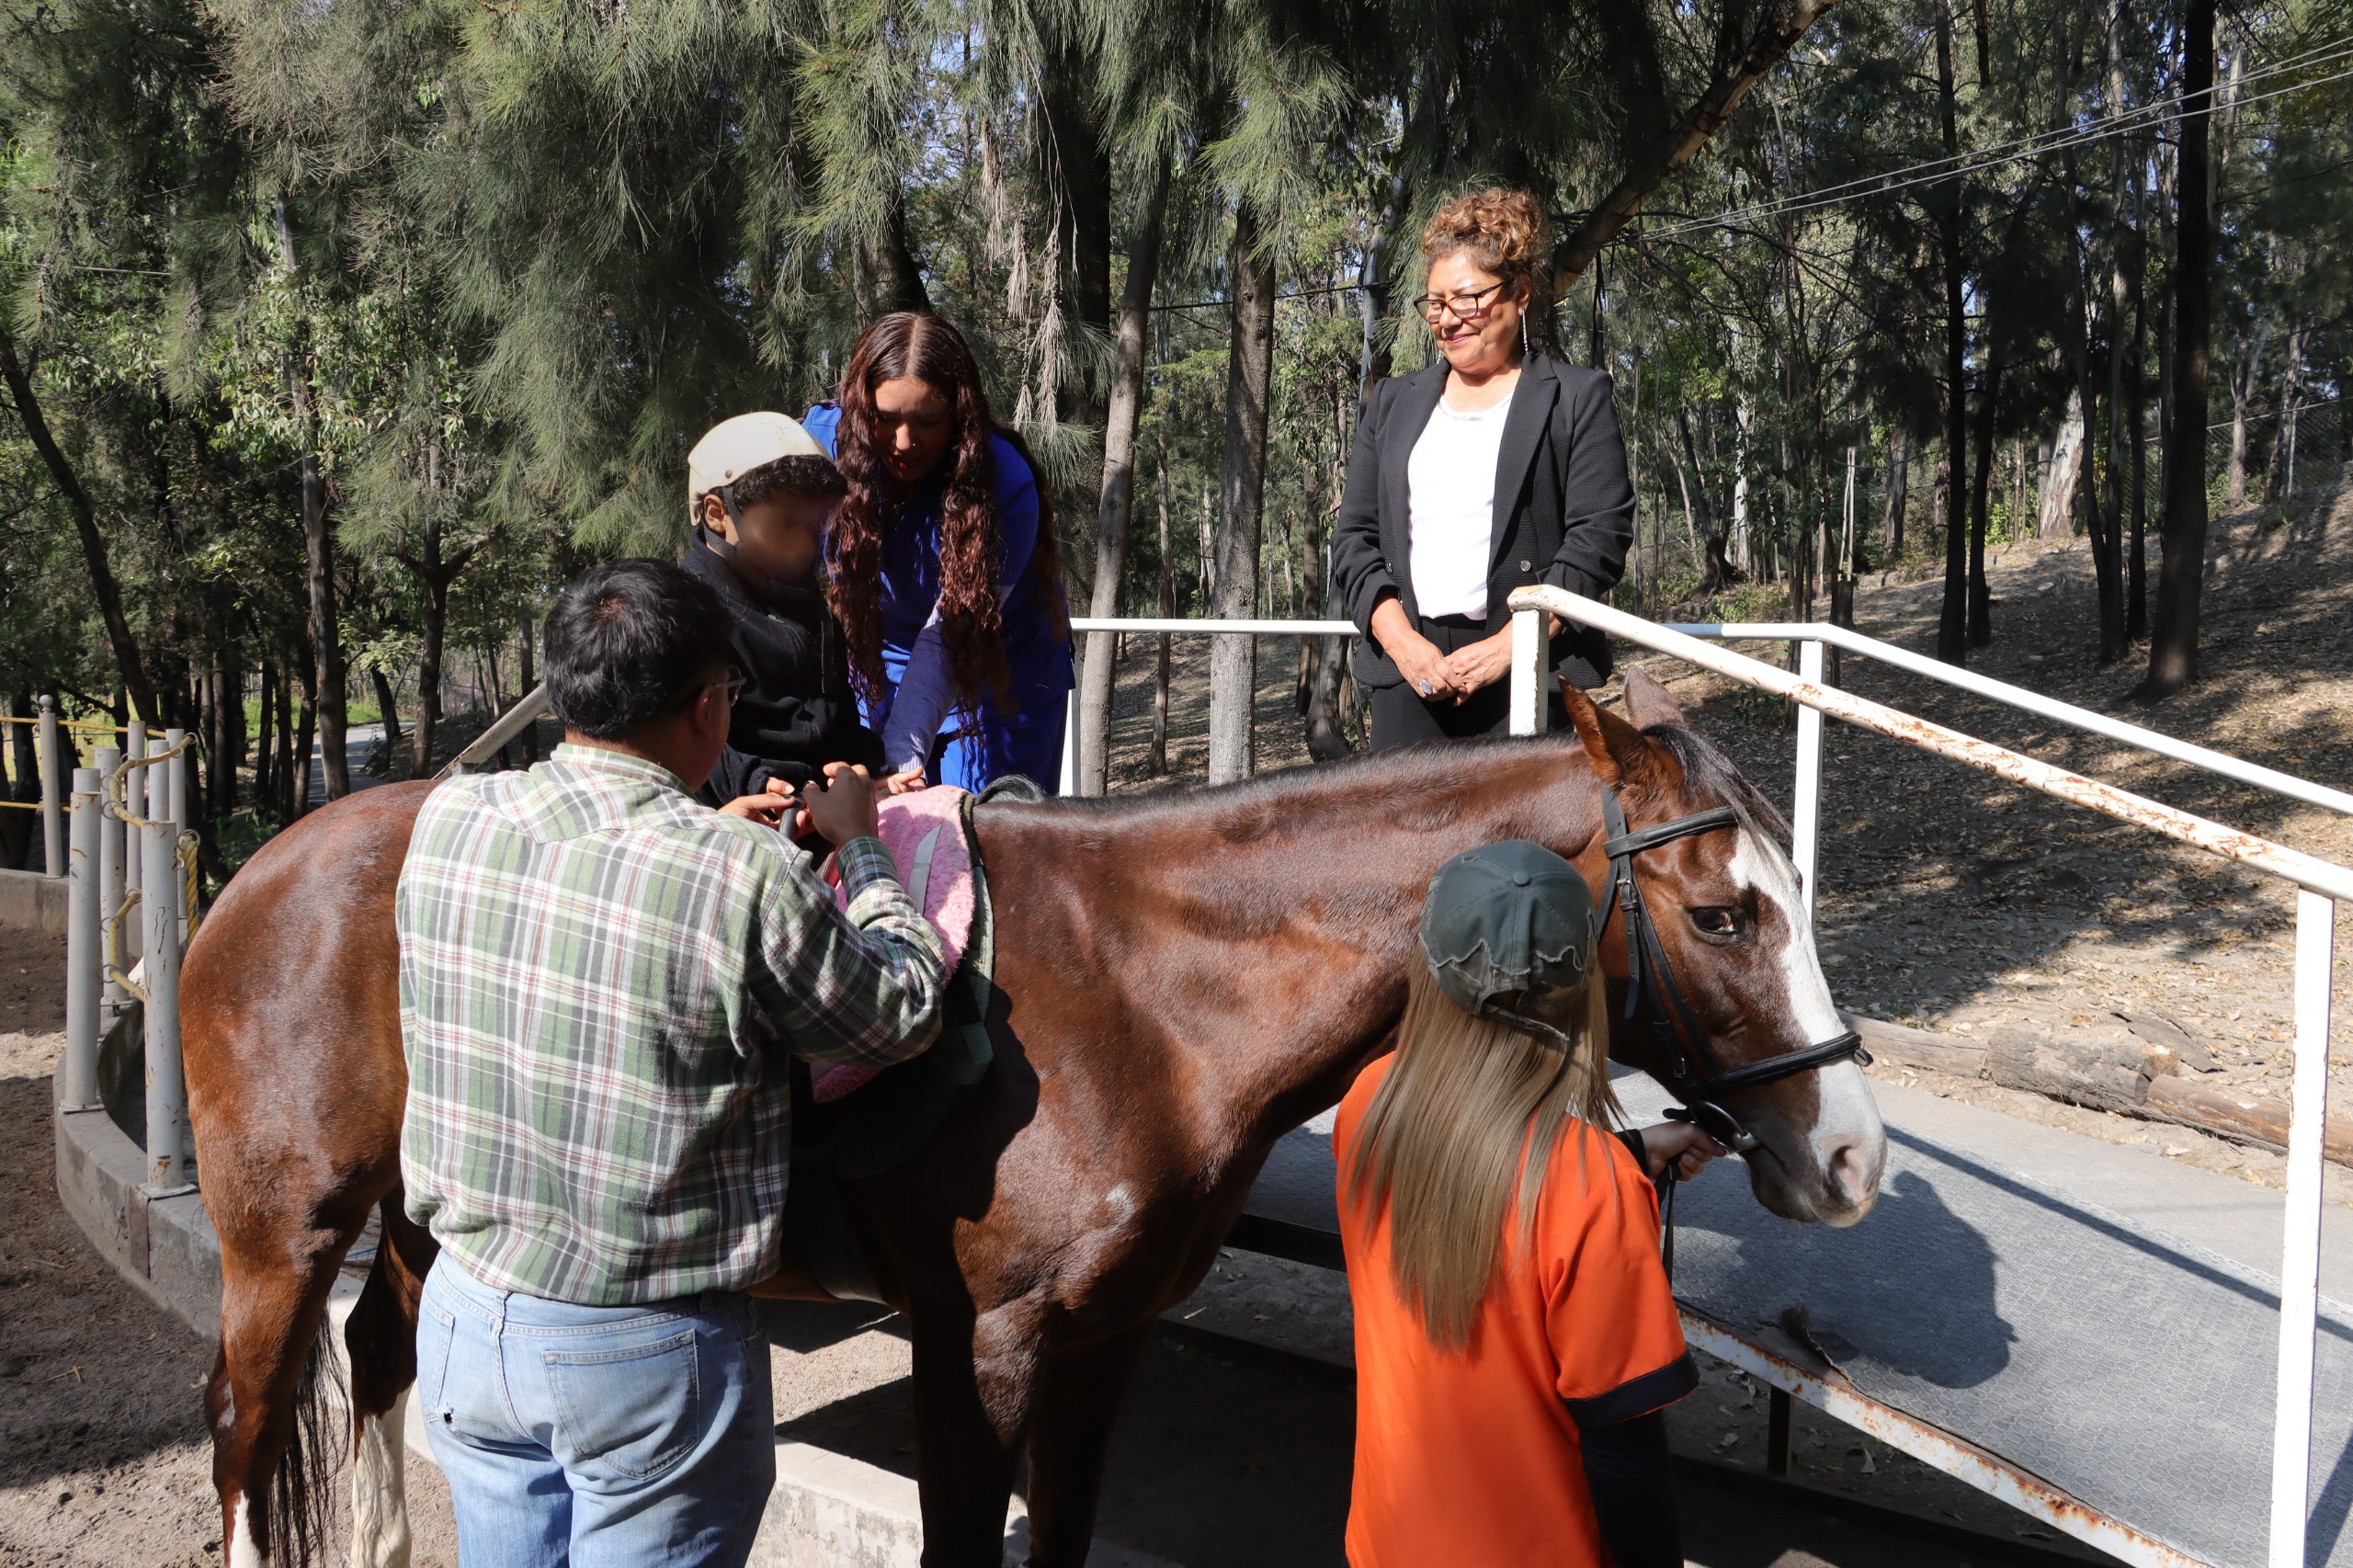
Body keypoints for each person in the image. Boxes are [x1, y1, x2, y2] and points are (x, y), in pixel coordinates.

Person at [395, 559, 949, 1567]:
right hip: (642, 1359)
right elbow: (900, 1012)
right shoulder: (741, 870)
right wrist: (858, 845)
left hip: (465, 1316)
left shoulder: (448, 817)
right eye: (729, 695)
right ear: (707, 707)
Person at [1335, 840, 1722, 1568]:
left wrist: (1636, 1151)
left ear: (1426, 963)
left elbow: (1475, 1178)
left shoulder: (1369, 1101)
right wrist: (1615, 1167)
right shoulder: (1592, 1187)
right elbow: (1625, 1456)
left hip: (1385, 1542)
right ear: (1580, 993)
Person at [1329, 188, 1635, 751]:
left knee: (1518, 843)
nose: (1446, 320)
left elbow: (1599, 540)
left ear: (1518, 293)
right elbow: (1354, 539)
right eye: (1435, 303)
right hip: (1410, 675)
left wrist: (1507, 649)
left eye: (1465, 300)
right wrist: (1401, 643)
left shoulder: (1576, 397)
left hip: (1532, 669)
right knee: (1411, 838)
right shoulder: (1393, 403)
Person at [801, 312, 1074, 793]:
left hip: (1001, 671)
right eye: (884, 420)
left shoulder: (1003, 484)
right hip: (881, 659)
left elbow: (947, 637)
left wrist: (898, 757)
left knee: (980, 830)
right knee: (880, 811)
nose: (904, 444)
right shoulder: (819, 448)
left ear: (960, 416)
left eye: (927, 421)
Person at [681, 411, 908, 807]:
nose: (804, 546)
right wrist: (755, 783)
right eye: (784, 526)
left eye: (815, 527)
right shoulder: (684, 616)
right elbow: (680, 742)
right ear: (717, 514)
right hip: (737, 819)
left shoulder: (808, 608)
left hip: (823, 809)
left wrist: (870, 772)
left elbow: (835, 720)